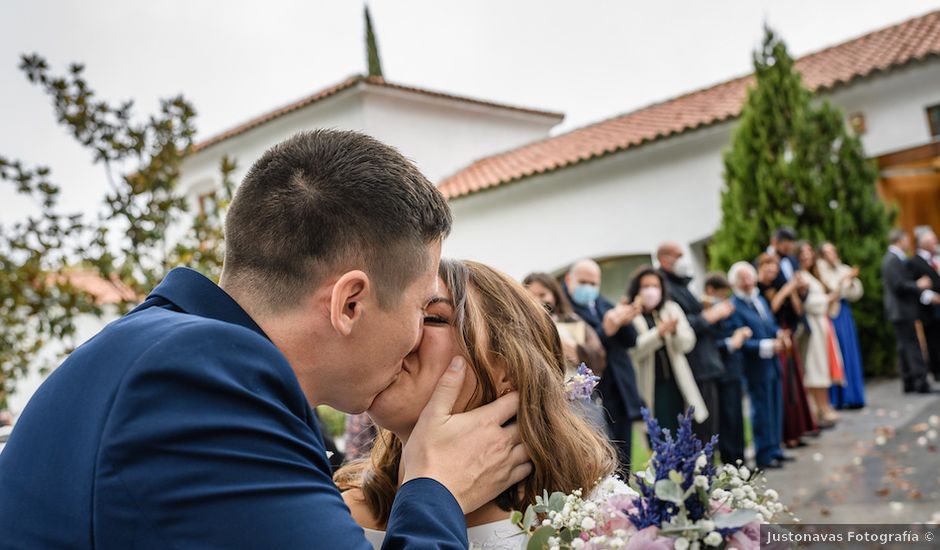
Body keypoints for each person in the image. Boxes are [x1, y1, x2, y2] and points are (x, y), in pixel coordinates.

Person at [0, 130, 531, 548]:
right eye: (421, 309)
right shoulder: (201, 380)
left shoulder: (155, 348)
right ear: (350, 304)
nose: (417, 336)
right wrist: (434, 488)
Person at [336, 259, 621, 550]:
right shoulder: (328, 516)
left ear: (510, 367)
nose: (398, 337)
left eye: (432, 318)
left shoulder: (599, 517)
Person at [563, 259, 643, 473]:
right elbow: (579, 352)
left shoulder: (603, 303)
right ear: (569, 279)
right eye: (584, 282)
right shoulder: (565, 311)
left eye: (594, 283)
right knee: (602, 458)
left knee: (625, 456)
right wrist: (606, 329)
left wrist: (624, 321)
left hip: (621, 390)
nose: (589, 288)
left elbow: (632, 340)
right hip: (594, 394)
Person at [657, 242, 732, 443]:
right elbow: (683, 323)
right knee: (701, 429)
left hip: (708, 362)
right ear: (664, 259)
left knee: (714, 426)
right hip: (696, 365)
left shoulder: (682, 284)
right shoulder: (666, 287)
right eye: (678, 255)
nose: (684, 260)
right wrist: (708, 316)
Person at [625, 266, 706, 435]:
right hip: (651, 384)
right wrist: (659, 334)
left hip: (677, 381)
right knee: (659, 432)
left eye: (655, 286)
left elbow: (687, 343)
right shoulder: (630, 314)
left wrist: (675, 332)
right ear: (636, 290)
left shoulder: (671, 308)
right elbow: (634, 351)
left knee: (683, 430)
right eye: (645, 286)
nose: (651, 291)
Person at [728, 261, 787, 470]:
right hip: (754, 364)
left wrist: (779, 334)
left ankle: (775, 447)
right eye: (742, 278)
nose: (748, 281)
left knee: (775, 403)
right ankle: (764, 453)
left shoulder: (759, 299)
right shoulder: (734, 306)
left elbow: (769, 324)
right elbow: (740, 340)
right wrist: (769, 345)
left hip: (772, 361)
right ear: (735, 282)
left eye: (750, 276)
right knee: (761, 408)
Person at [756, 253, 816, 446]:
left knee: (794, 383)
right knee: (784, 384)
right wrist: (786, 289)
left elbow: (798, 311)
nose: (772, 272)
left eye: (774, 268)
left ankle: (799, 430)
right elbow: (770, 310)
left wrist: (792, 292)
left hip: (787, 333)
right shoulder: (759, 289)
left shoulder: (780, 285)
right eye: (768, 268)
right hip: (774, 336)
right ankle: (786, 435)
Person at [881, 229, 939, 394]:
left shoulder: (896, 259)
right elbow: (898, 285)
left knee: (904, 347)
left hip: (901, 310)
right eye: (906, 239)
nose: (909, 243)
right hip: (901, 310)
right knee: (912, 346)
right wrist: (918, 285)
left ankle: (909, 382)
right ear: (900, 240)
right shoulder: (891, 260)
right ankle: (921, 383)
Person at [703, 273, 752, 465]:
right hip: (720, 371)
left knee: (737, 419)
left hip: (733, 369)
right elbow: (713, 341)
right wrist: (731, 342)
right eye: (722, 294)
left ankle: (740, 459)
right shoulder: (708, 311)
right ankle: (731, 460)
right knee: (727, 419)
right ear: (711, 290)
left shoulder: (724, 309)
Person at [794, 242, 843, 427]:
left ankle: (825, 405)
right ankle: (819, 407)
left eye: (809, 252)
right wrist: (827, 299)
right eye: (802, 252)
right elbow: (807, 302)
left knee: (824, 365)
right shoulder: (800, 276)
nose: (807, 255)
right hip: (812, 325)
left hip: (823, 323)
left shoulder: (814, 275)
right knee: (816, 367)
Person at [522, 272, 606, 376]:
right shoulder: (520, 328)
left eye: (542, 295)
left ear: (555, 295)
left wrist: (578, 351)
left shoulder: (572, 320)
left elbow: (597, 353)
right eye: (531, 296)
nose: (537, 301)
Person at [816, 242, 866, 409]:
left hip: (844, 312)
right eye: (828, 252)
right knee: (836, 353)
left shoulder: (841, 268)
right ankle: (836, 398)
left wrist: (851, 282)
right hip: (831, 314)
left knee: (849, 352)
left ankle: (853, 395)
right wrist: (844, 280)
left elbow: (855, 292)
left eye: (833, 251)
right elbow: (831, 289)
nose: (832, 254)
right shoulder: (820, 270)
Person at [908, 228, 940, 382]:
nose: (936, 243)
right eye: (933, 241)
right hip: (929, 309)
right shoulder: (914, 262)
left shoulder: (936, 259)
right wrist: (931, 296)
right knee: (933, 340)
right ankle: (937, 371)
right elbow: (915, 285)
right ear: (924, 244)